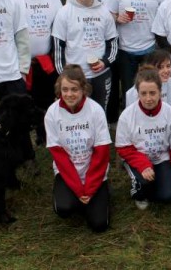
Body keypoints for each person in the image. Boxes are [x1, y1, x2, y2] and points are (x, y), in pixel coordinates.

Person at [44, 64, 111, 232]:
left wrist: (88, 188)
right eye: (65, 89)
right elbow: (59, 156)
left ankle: (97, 196)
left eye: (74, 89)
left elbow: (101, 153)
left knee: (99, 225)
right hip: (68, 172)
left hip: (93, 172)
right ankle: (80, 199)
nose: (69, 94)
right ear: (59, 90)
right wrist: (78, 188)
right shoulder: (52, 113)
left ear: (83, 89)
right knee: (64, 209)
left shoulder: (96, 110)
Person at [115, 66, 171, 210]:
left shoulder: (170, 114)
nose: (148, 98)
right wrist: (143, 165)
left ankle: (156, 185)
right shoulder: (127, 115)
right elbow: (123, 148)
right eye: (143, 93)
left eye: (152, 93)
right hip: (137, 158)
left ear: (160, 92)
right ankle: (139, 192)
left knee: (169, 196)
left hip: (161, 157)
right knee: (144, 183)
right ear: (137, 93)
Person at [7, 0, 62, 144]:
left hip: (45, 62)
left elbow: (59, 29)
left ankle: (43, 135)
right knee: (20, 103)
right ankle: (21, 142)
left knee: (45, 102)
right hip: (19, 62)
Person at [110, 0, 170, 105]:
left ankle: (153, 119)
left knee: (151, 87)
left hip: (150, 47)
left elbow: (167, 14)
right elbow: (110, 15)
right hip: (125, 48)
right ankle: (130, 121)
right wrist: (117, 18)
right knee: (130, 90)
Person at [52, 0, 118, 110]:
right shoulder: (64, 12)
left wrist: (104, 62)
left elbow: (112, 43)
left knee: (100, 111)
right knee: (75, 112)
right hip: (75, 76)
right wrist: (65, 75)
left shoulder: (104, 12)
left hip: (100, 73)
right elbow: (58, 47)